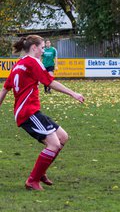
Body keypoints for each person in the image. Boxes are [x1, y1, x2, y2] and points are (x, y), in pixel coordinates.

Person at [0, 35, 84, 190]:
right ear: (34, 48)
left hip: (28, 111)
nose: (43, 51)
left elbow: (5, 89)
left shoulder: (18, 65)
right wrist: (73, 93)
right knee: (53, 144)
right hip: (28, 112)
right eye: (42, 48)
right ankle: (32, 180)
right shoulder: (33, 62)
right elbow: (50, 82)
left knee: (63, 137)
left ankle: (41, 171)